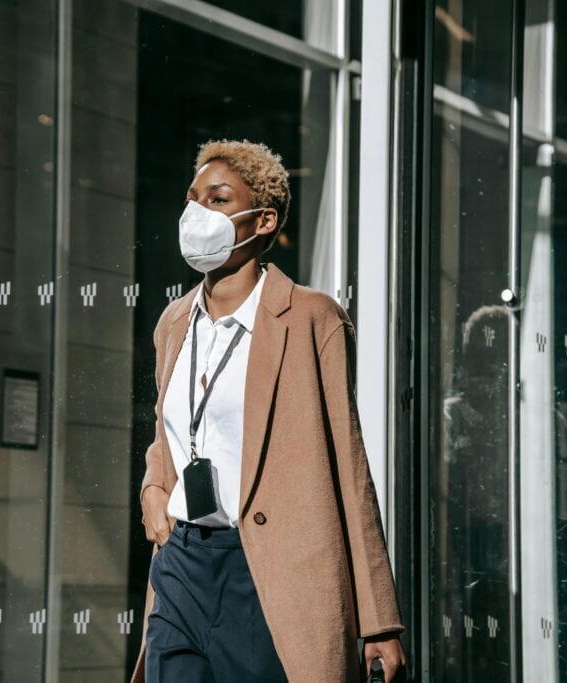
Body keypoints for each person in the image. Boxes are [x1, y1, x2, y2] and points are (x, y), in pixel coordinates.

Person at [130, 139, 406, 683]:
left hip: (269, 571)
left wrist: (378, 620)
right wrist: (152, 487)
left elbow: (348, 468)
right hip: (182, 564)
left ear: (264, 220)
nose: (197, 213)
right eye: (192, 199)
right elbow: (169, 433)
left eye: (218, 199)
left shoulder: (310, 318)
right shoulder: (174, 322)